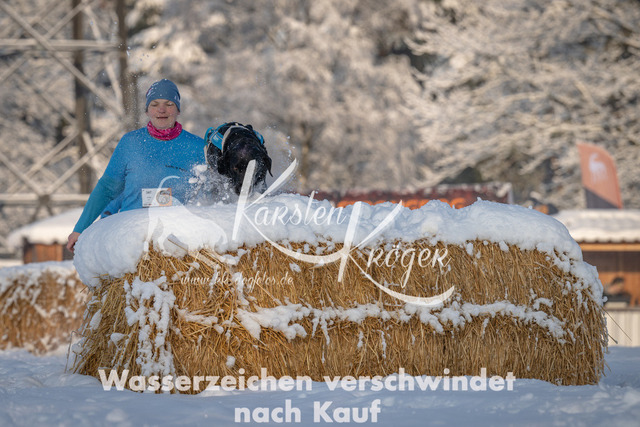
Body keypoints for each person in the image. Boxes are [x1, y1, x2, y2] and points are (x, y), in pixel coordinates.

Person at [66, 79, 206, 252]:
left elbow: (212, 196)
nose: (161, 110)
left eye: (169, 104)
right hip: (131, 239)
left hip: (178, 242)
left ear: (178, 109)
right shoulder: (130, 143)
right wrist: (80, 229)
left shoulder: (197, 147)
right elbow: (107, 189)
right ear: (147, 110)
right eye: (154, 104)